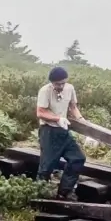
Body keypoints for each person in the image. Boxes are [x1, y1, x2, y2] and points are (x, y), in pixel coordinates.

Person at [36, 66, 86, 200]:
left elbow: (73, 107)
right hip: (49, 131)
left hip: (63, 131)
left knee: (77, 158)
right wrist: (58, 118)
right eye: (58, 84)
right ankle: (39, 195)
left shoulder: (69, 88)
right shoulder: (45, 91)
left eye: (63, 82)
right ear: (52, 82)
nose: (61, 86)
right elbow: (40, 112)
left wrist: (82, 121)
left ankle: (64, 192)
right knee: (47, 166)